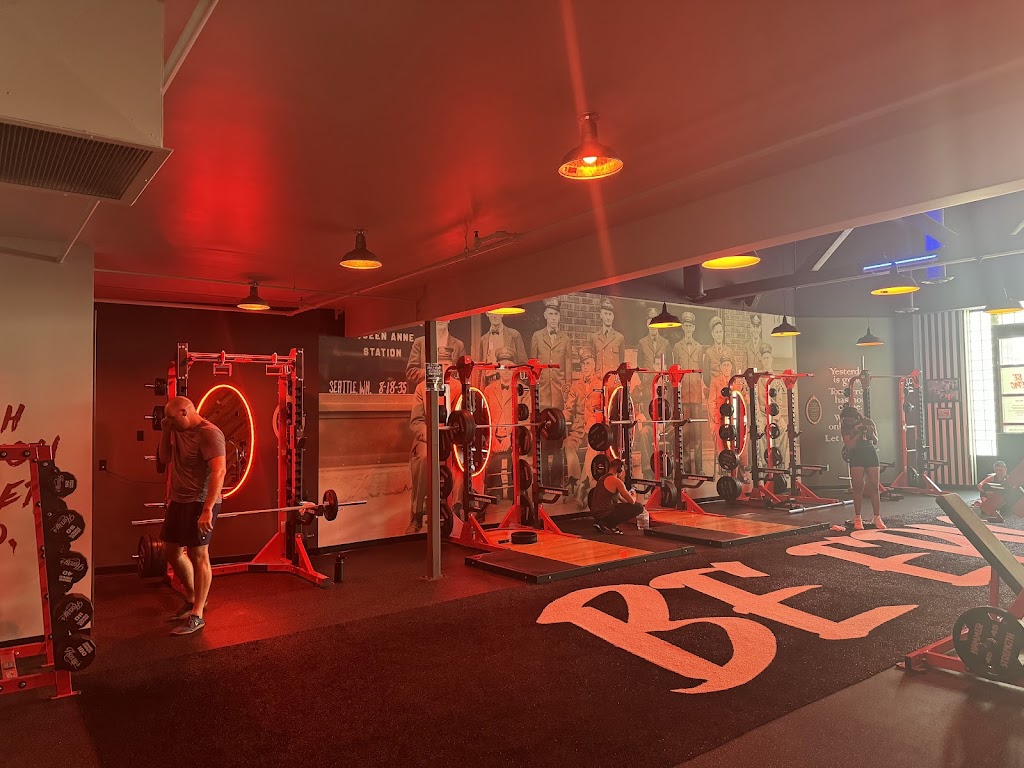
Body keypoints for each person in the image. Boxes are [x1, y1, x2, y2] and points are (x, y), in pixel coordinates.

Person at [156, 396, 227, 635]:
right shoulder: (175, 430)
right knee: (171, 551)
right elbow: (164, 458)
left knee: (198, 554)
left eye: (171, 419)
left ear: (185, 412)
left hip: (201, 501)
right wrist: (165, 432)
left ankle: (197, 614)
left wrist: (207, 509)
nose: (169, 422)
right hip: (178, 499)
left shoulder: (210, 433)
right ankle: (194, 597)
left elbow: (219, 471)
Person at [563, 345, 603, 506]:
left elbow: (603, 409)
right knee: (568, 444)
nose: (585, 367)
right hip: (578, 429)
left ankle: (582, 486)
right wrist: (559, 419)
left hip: (594, 431)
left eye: (588, 363)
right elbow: (568, 410)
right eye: (583, 364)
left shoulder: (600, 384)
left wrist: (595, 418)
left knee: (593, 449)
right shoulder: (575, 386)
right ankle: (575, 480)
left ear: (594, 364)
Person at [483, 348, 521, 501]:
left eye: (510, 367)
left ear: (514, 369)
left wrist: (510, 437)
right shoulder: (488, 390)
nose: (506, 371)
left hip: (514, 436)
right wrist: (492, 437)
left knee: (518, 459)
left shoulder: (522, 390)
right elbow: (485, 418)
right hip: (493, 436)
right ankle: (492, 493)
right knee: (487, 460)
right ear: (498, 369)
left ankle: (516, 492)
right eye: (503, 367)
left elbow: (525, 420)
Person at [840, 405, 885, 530]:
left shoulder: (868, 422)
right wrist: (858, 433)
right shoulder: (845, 427)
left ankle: (877, 517)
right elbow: (850, 445)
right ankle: (857, 518)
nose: (847, 421)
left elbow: (875, 441)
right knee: (858, 487)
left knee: (874, 486)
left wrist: (870, 432)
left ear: (855, 417)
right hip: (856, 455)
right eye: (845, 420)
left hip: (870, 453)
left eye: (849, 419)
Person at [672, 310, 704, 473]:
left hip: (696, 395)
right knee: (684, 432)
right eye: (686, 325)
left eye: (691, 325)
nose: (689, 328)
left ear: (694, 328)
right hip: (683, 395)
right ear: (683, 327)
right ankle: (683, 468)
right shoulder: (677, 347)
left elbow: (701, 371)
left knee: (697, 432)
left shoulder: (699, 347)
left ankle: (698, 467)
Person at [530, 297, 572, 410]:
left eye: (556, 314)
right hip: (542, 388)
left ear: (559, 317)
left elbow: (568, 367)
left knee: (559, 417)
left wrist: (567, 388)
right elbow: (533, 365)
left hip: (559, 390)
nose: (553, 318)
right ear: (545, 315)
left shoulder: (565, 339)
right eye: (551, 314)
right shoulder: (537, 336)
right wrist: (535, 385)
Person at [588, 458, 643, 534]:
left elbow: (620, 498)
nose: (622, 473)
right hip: (606, 513)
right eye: (622, 470)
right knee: (639, 507)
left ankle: (605, 523)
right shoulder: (616, 481)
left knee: (620, 506)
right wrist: (634, 494)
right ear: (619, 469)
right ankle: (609, 524)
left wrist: (627, 501)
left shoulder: (601, 478)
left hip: (596, 514)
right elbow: (632, 501)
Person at [406, 320, 466, 390]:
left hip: (452, 391)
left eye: (443, 316)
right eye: (437, 317)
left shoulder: (459, 345)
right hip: (427, 392)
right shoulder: (420, 343)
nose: (440, 320)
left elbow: (464, 373)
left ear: (449, 320)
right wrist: (433, 372)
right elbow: (411, 372)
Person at [477, 312, 527, 387]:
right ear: (487, 314)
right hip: (489, 381)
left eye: (497, 312)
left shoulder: (514, 335)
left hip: (509, 381)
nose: (494, 316)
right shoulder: (483, 339)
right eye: (492, 313)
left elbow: (523, 362)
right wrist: (478, 387)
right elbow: (480, 367)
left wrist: (520, 383)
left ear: (502, 314)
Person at [590, 298, 625, 376]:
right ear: (601, 316)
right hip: (599, 378)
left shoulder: (619, 337)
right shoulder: (594, 337)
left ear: (613, 317)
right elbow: (593, 361)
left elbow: (621, 361)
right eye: (605, 314)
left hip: (613, 378)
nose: (608, 317)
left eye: (610, 314)